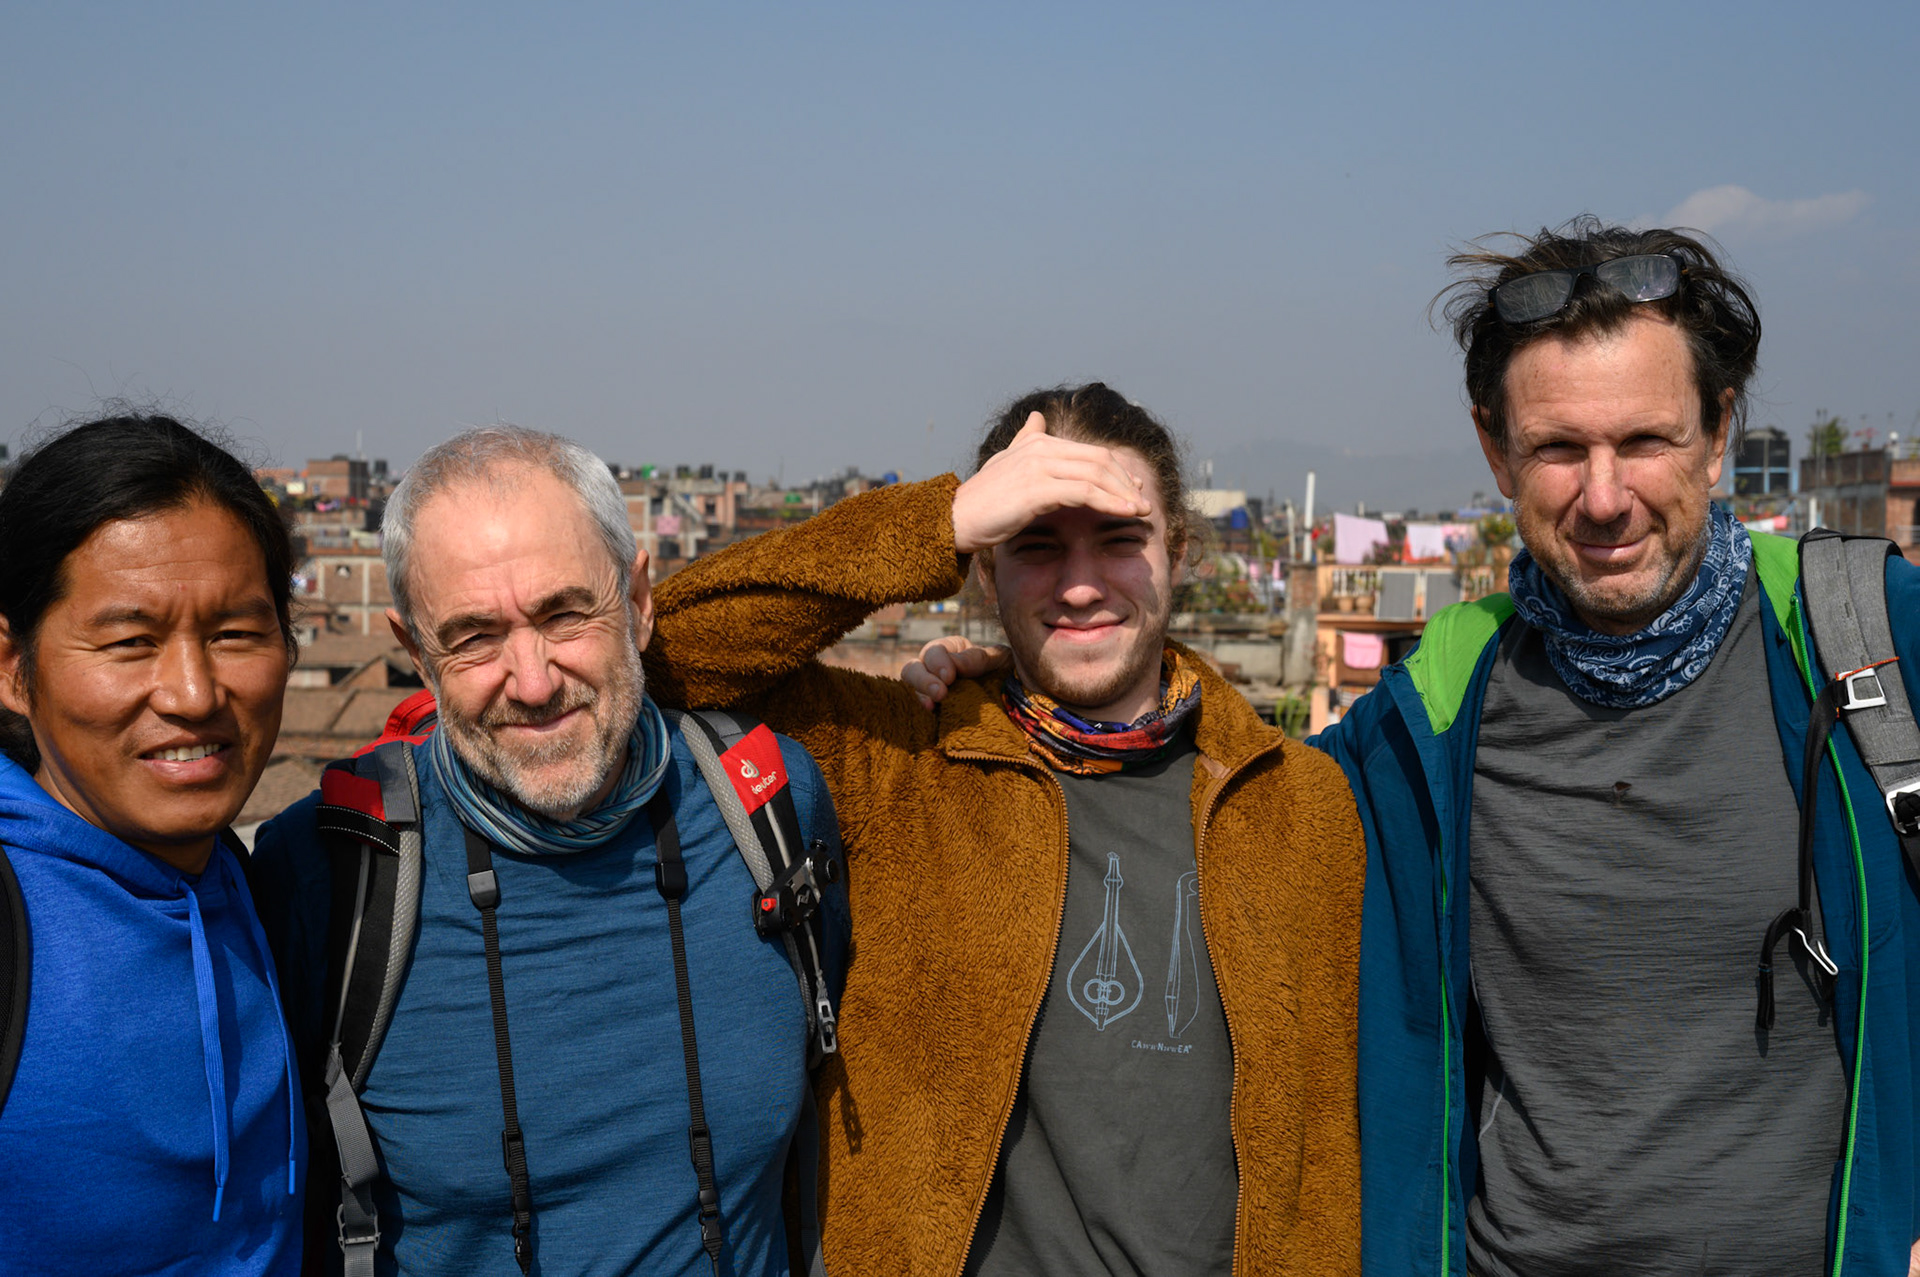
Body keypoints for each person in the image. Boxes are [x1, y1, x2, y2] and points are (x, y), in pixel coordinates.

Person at [644, 382, 1366, 1276]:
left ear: (1177, 550)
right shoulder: (903, 762)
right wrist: (938, 521)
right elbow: (664, 653)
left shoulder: (1298, 805)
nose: (1081, 583)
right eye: (1034, 543)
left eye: (1119, 539)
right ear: (985, 569)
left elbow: (1326, 1147)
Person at [248, 425, 847, 1276]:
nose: (532, 681)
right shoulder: (327, 871)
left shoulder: (769, 802)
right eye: (474, 636)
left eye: (565, 613)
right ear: (415, 650)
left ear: (640, 601)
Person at [0, 414, 305, 1275]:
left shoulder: (267, 885)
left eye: (236, 633)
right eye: (130, 642)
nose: (193, 691)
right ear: (12, 667)